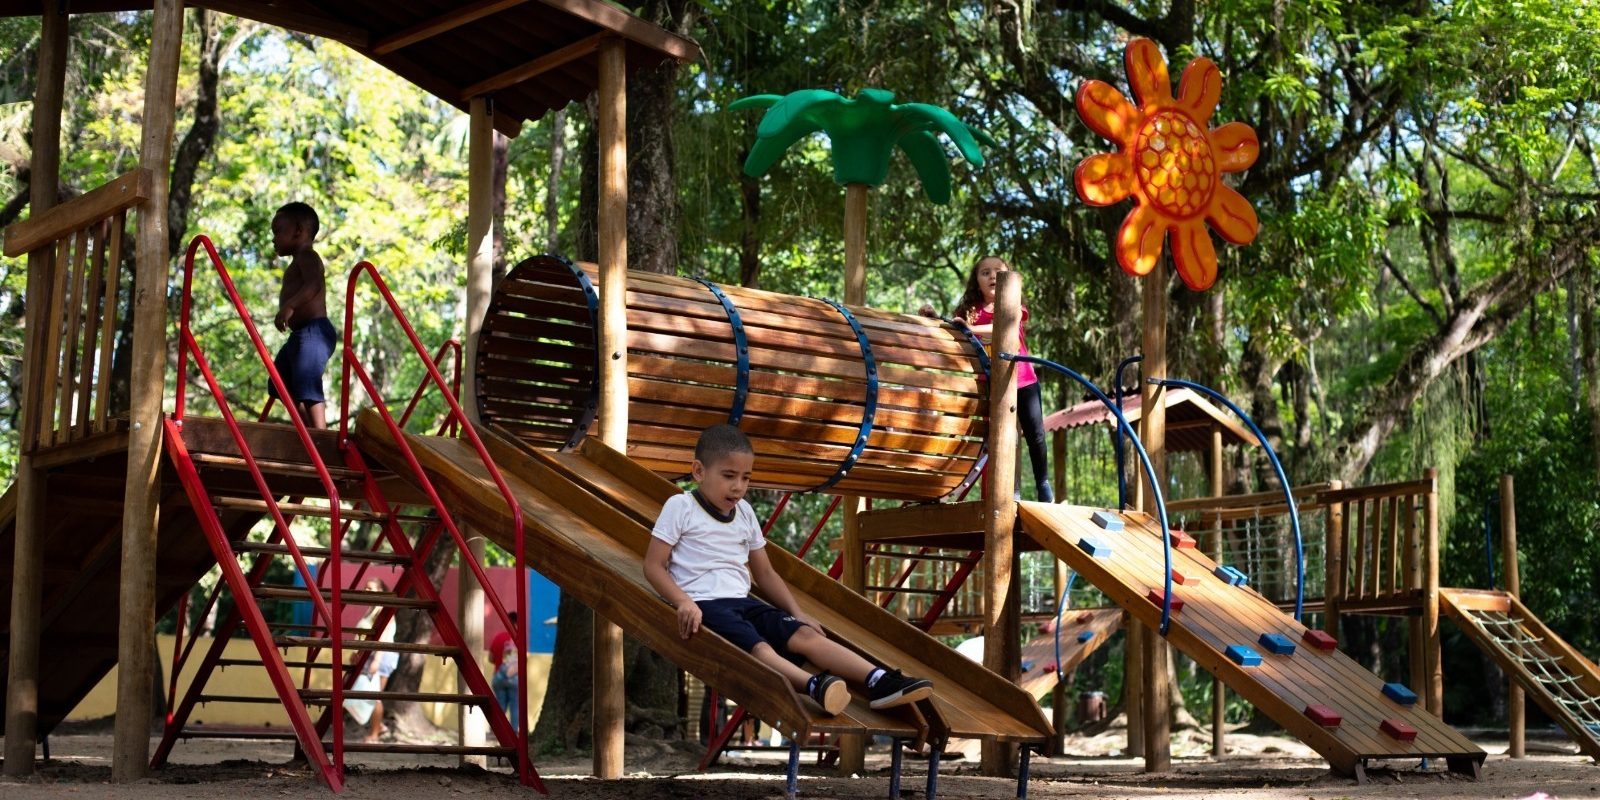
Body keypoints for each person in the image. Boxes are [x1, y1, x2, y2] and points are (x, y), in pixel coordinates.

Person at [644, 424, 934, 714]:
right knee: (760, 648)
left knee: (807, 635)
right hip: (705, 604)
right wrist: (683, 602)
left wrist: (797, 612)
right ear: (698, 471)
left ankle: (879, 680)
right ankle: (814, 685)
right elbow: (653, 566)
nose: (739, 487)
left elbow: (766, 573)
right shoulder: (681, 506)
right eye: (729, 476)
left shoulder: (744, 512)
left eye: (746, 478)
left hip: (744, 603)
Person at [933, 256, 1053, 502]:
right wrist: (937, 318)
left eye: (998, 272)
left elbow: (1004, 326)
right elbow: (955, 332)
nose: (992, 276)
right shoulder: (971, 313)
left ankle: (1043, 484)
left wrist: (969, 329)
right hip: (991, 383)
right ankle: (1009, 491)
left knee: (1035, 434)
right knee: (1001, 437)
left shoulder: (1013, 305)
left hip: (1022, 380)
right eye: (985, 272)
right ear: (977, 282)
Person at [268, 201, 336, 429]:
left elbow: (314, 285)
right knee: (280, 381)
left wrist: (290, 306)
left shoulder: (308, 256)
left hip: (314, 331)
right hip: (301, 335)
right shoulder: (297, 262)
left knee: (307, 382)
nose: (273, 238)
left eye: (278, 231)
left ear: (298, 231)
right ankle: (308, 432)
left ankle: (321, 436)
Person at [487, 611, 520, 730]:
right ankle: (514, 733)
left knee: (500, 706)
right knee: (515, 706)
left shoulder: (498, 637)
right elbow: (523, 661)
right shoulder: (519, 639)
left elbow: (490, 659)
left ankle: (496, 730)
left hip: (499, 678)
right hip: (514, 679)